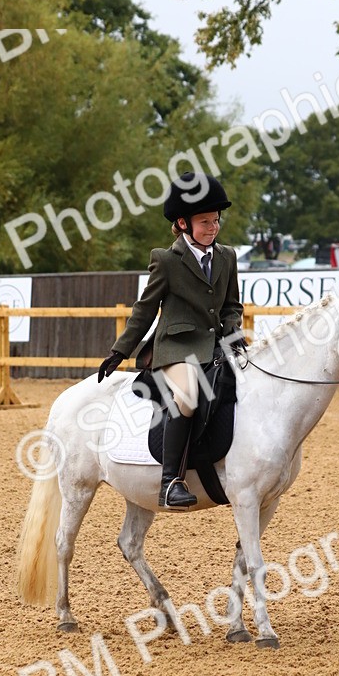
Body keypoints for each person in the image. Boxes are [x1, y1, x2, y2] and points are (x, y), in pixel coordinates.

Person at [97, 172, 244, 510]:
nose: (213, 227)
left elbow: (231, 305)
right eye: (204, 221)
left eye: (216, 220)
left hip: (217, 345)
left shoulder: (227, 257)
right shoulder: (166, 260)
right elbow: (145, 309)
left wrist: (233, 332)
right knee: (190, 394)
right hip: (177, 349)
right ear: (182, 222)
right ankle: (170, 482)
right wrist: (120, 350)